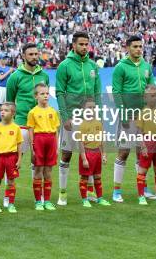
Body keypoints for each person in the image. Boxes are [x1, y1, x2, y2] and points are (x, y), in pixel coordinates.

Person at [56, 31, 101, 206]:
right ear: (73, 45)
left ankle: (89, 192)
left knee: (91, 153)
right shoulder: (65, 66)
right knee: (66, 155)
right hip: (72, 116)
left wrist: (98, 114)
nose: (84, 47)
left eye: (86, 44)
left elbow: (97, 92)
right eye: (81, 44)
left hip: (89, 118)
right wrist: (65, 116)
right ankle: (62, 193)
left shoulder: (93, 66)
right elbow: (59, 92)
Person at [111, 36, 155, 202]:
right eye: (135, 46)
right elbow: (117, 92)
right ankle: (116, 191)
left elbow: (151, 90)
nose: (138, 49)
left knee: (141, 153)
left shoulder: (146, 66)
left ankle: (143, 187)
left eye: (140, 46)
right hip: (128, 117)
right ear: (127, 48)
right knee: (123, 152)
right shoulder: (120, 68)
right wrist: (123, 114)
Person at [4, 43, 49, 205]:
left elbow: (45, 99)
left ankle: (39, 197)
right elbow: (9, 101)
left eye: (36, 54)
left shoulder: (44, 75)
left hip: (40, 126)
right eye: (30, 54)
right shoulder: (15, 76)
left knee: (38, 162)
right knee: (13, 162)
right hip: (21, 125)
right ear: (23, 56)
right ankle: (8, 196)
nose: (34, 57)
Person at [28, 82, 60, 211]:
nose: (45, 96)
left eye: (47, 93)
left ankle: (47, 200)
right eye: (42, 94)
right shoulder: (33, 112)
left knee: (48, 171)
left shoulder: (53, 111)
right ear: (36, 96)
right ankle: (38, 201)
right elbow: (30, 129)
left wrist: (56, 146)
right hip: (39, 140)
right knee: (38, 170)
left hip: (51, 140)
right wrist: (32, 147)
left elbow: (56, 129)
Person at [0, 102, 22, 214]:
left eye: (6, 110)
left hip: (11, 157)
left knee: (11, 181)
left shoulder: (16, 128)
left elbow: (19, 145)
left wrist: (19, 159)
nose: (2, 112)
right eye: (1, 110)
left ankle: (11, 204)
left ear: (12, 113)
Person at [77, 99, 110, 207]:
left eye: (93, 107)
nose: (92, 110)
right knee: (85, 177)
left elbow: (101, 139)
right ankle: (84, 199)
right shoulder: (82, 125)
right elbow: (80, 143)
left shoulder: (98, 123)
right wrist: (84, 159)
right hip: (87, 153)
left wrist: (104, 154)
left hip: (97, 153)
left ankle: (100, 198)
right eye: (89, 107)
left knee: (97, 176)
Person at [0, 57, 13, 122]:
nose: (6, 60)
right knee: (0, 107)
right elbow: (0, 77)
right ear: (0, 60)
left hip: (7, 88)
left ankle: (6, 121)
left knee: (7, 106)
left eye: (6, 59)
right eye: (4, 59)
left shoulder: (8, 68)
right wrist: (9, 71)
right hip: (0, 88)